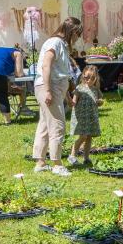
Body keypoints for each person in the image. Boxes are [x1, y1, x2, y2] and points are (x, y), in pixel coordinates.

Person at [32, 17, 83, 176]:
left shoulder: (60, 44)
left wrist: (67, 96)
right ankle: (57, 164)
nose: (77, 38)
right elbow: (46, 65)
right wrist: (47, 90)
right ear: (73, 31)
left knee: (45, 125)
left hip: (54, 88)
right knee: (57, 125)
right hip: (49, 87)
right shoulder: (55, 42)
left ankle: (40, 162)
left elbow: (60, 72)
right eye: (77, 35)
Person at [68, 66, 103, 168]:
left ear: (96, 79)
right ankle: (72, 155)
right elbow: (73, 102)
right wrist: (69, 99)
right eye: (87, 77)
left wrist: (100, 102)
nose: (89, 80)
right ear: (83, 76)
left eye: (92, 78)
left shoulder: (96, 90)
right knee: (83, 136)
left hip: (91, 117)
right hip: (81, 117)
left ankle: (86, 158)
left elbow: (99, 100)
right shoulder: (79, 88)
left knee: (89, 137)